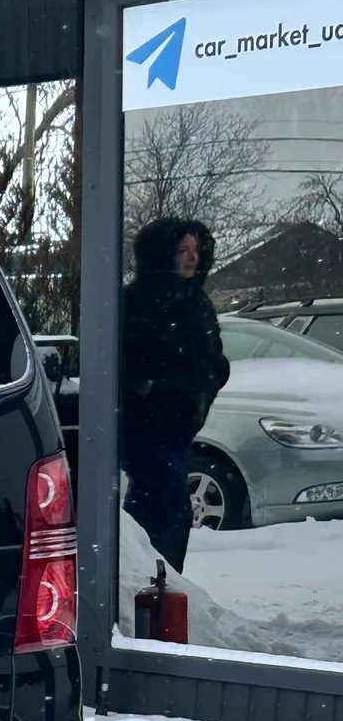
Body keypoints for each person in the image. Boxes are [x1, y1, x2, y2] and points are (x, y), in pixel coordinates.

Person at [121, 218, 229, 571]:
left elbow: (214, 359)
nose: (191, 258)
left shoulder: (197, 303)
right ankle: (151, 579)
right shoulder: (135, 303)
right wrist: (153, 387)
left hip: (180, 426)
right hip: (143, 426)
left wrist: (205, 384)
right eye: (182, 250)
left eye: (196, 250)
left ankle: (157, 583)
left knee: (160, 505)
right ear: (162, 255)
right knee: (167, 501)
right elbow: (122, 364)